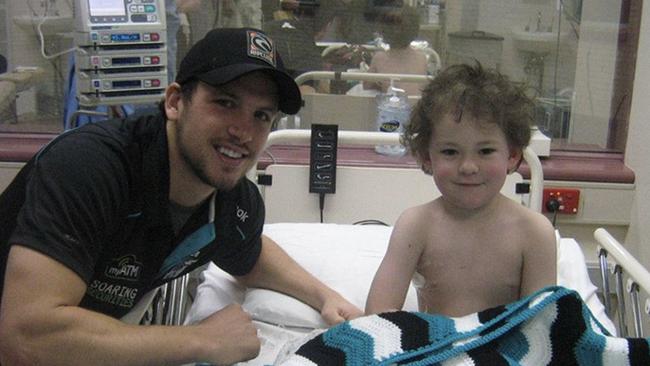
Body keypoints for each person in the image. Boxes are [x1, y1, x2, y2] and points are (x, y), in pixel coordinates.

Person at [0, 28, 362, 365]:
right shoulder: (92, 169)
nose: (243, 131)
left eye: (262, 115)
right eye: (224, 103)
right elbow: (27, 335)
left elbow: (250, 253)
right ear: (175, 102)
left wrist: (325, 296)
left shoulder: (231, 199)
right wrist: (202, 340)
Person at [365, 63, 557, 317]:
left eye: (486, 151)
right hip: (434, 348)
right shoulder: (416, 225)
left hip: (505, 353)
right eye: (450, 152)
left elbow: (541, 329)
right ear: (426, 157)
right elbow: (377, 317)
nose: (468, 167)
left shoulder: (534, 233)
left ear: (512, 155)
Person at [362, 4, 428, 96]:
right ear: (415, 30)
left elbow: (366, 86)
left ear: (383, 31)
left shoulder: (379, 58)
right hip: (417, 107)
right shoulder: (422, 58)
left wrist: (379, 85)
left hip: (392, 108)